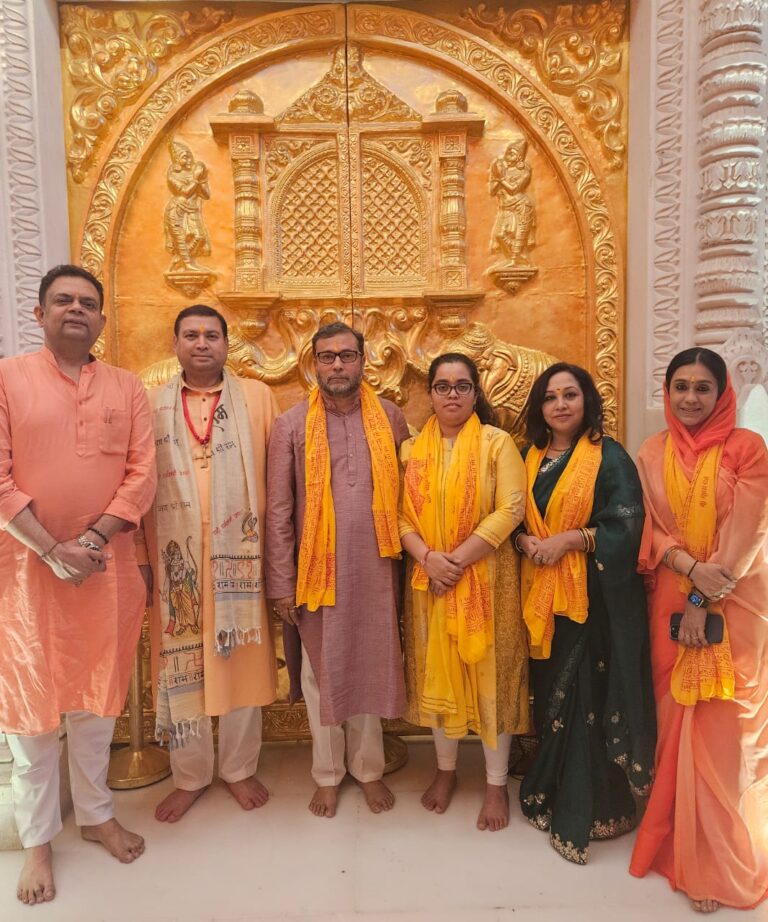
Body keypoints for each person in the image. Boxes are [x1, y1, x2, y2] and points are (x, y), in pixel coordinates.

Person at [0, 265, 156, 905]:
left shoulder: (126, 387)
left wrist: (90, 541)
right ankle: (38, 842)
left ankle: (95, 815)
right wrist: (50, 546)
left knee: (97, 706)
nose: (76, 310)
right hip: (24, 572)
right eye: (62, 300)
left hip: (106, 569)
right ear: (39, 315)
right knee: (31, 712)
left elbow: (143, 472)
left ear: (101, 320)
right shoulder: (8, 378)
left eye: (88, 303)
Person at [629, 348, 768, 913]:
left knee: (725, 733)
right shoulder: (651, 452)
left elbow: (748, 533)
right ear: (667, 391)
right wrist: (688, 575)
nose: (690, 398)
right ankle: (679, 843)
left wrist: (701, 597)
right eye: (680, 386)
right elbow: (654, 532)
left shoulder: (748, 450)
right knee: (674, 723)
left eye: (702, 388)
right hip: (671, 598)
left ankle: (719, 860)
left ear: (721, 394)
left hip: (735, 603)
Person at [137, 305, 278, 823]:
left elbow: (277, 480)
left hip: (241, 558)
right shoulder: (151, 406)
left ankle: (239, 769)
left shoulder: (258, 399)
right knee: (183, 667)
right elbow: (134, 485)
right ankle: (191, 776)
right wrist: (139, 558)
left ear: (226, 343)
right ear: (175, 343)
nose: (202, 343)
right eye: (191, 335)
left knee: (239, 664)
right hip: (176, 559)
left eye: (211, 335)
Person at [265, 321, 409, 818]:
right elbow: (279, 512)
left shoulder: (391, 418)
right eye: (327, 357)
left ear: (363, 361)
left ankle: (368, 770)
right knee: (319, 675)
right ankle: (326, 774)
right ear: (314, 364)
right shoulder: (289, 425)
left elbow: (411, 500)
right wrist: (282, 582)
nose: (337, 366)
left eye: (347, 356)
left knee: (369, 668)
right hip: (315, 573)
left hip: (375, 570)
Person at [515, 362, 656, 864]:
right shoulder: (529, 455)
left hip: (592, 597)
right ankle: (549, 785)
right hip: (542, 597)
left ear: (586, 401)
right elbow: (516, 515)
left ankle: (595, 804)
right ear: (540, 406)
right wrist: (526, 540)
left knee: (585, 698)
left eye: (570, 395)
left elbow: (626, 524)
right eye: (551, 397)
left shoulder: (609, 457)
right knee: (550, 694)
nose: (560, 405)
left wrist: (572, 540)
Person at [398, 353, 529, 832]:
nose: (452, 394)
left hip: (487, 581)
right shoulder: (410, 451)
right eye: (442, 386)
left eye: (461, 386)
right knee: (439, 673)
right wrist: (428, 558)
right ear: (430, 394)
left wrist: (455, 560)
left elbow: (511, 509)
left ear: (476, 393)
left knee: (491, 678)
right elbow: (397, 516)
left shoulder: (497, 444)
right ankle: (446, 772)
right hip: (428, 580)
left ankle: (495, 784)